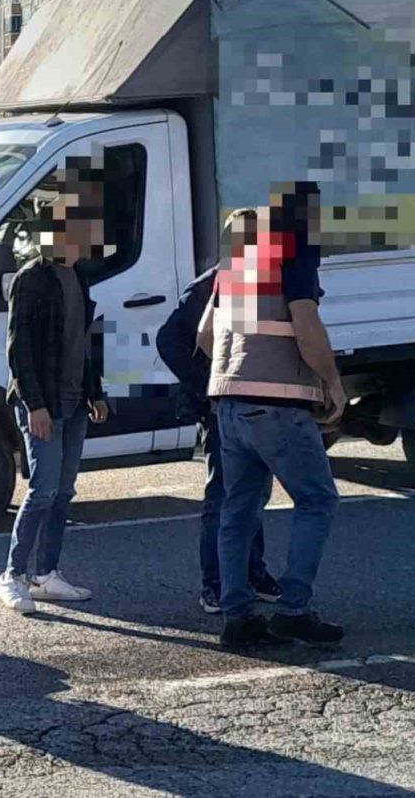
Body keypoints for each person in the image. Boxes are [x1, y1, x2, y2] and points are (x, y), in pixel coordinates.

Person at [198, 185, 347, 648]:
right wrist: (331, 382)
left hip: (229, 401)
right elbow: (305, 324)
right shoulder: (294, 251)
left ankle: (237, 618)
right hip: (277, 405)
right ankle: (293, 610)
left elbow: (204, 335)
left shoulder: (235, 262)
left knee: (238, 508)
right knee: (317, 500)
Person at [0, 166, 111, 614]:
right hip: (42, 402)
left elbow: (83, 342)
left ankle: (46, 573)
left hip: (75, 401)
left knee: (64, 492)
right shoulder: (32, 278)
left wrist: (95, 392)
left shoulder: (78, 276)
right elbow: (18, 349)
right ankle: (13, 575)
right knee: (42, 490)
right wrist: (35, 404)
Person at [156, 219, 282, 615]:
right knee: (223, 496)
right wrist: (207, 387)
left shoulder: (254, 282)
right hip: (219, 407)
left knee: (253, 492)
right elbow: (168, 340)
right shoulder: (210, 286)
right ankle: (215, 583)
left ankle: (252, 572)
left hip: (249, 403)